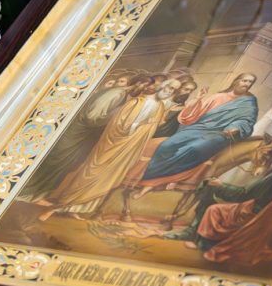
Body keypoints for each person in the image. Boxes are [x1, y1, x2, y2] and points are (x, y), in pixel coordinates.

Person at [39, 79, 181, 221]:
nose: (169, 91)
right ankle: (58, 206)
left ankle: (74, 209)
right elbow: (118, 125)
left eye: (173, 90)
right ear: (161, 85)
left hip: (128, 150)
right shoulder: (136, 103)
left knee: (107, 178)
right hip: (113, 146)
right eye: (169, 87)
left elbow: (151, 129)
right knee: (92, 174)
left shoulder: (160, 107)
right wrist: (143, 123)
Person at [20, 73, 131, 201]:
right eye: (117, 81)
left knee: (64, 163)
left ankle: (36, 192)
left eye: (122, 82)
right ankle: (27, 190)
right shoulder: (115, 93)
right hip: (75, 133)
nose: (117, 84)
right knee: (56, 159)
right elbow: (91, 118)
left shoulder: (114, 94)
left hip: (80, 136)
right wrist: (113, 116)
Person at [139, 73, 260, 187]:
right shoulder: (218, 97)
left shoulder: (249, 102)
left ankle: (168, 178)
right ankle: (150, 174)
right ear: (236, 81)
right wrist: (198, 99)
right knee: (167, 145)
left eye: (250, 82)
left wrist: (236, 127)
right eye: (244, 80)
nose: (247, 84)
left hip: (220, 133)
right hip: (199, 127)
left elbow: (247, 120)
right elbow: (198, 113)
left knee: (194, 148)